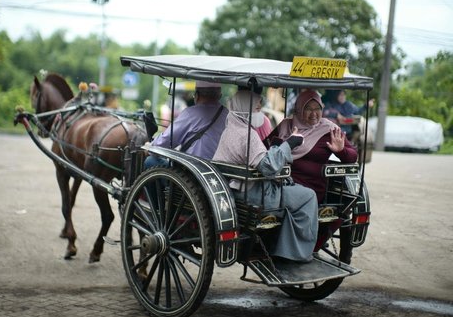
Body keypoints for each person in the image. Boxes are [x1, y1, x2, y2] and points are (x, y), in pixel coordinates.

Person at [213, 90, 318, 263]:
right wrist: (290, 143)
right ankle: (295, 254)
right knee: (308, 196)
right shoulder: (247, 135)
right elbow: (268, 167)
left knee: (294, 188)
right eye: (256, 109)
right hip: (255, 196)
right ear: (246, 109)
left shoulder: (231, 128)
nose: (260, 112)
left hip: (236, 191)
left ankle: (283, 245)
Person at [265, 89, 358, 203]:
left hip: (312, 191)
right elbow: (265, 147)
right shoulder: (285, 126)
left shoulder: (329, 129)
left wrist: (341, 151)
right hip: (281, 185)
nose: (314, 114)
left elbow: (353, 157)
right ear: (299, 109)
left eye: (317, 109)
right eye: (308, 109)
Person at [145, 80, 228, 166]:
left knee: (150, 161)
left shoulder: (190, 114)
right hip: (220, 172)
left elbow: (166, 141)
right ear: (219, 96)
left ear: (197, 95)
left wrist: (150, 146)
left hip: (192, 172)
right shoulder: (227, 115)